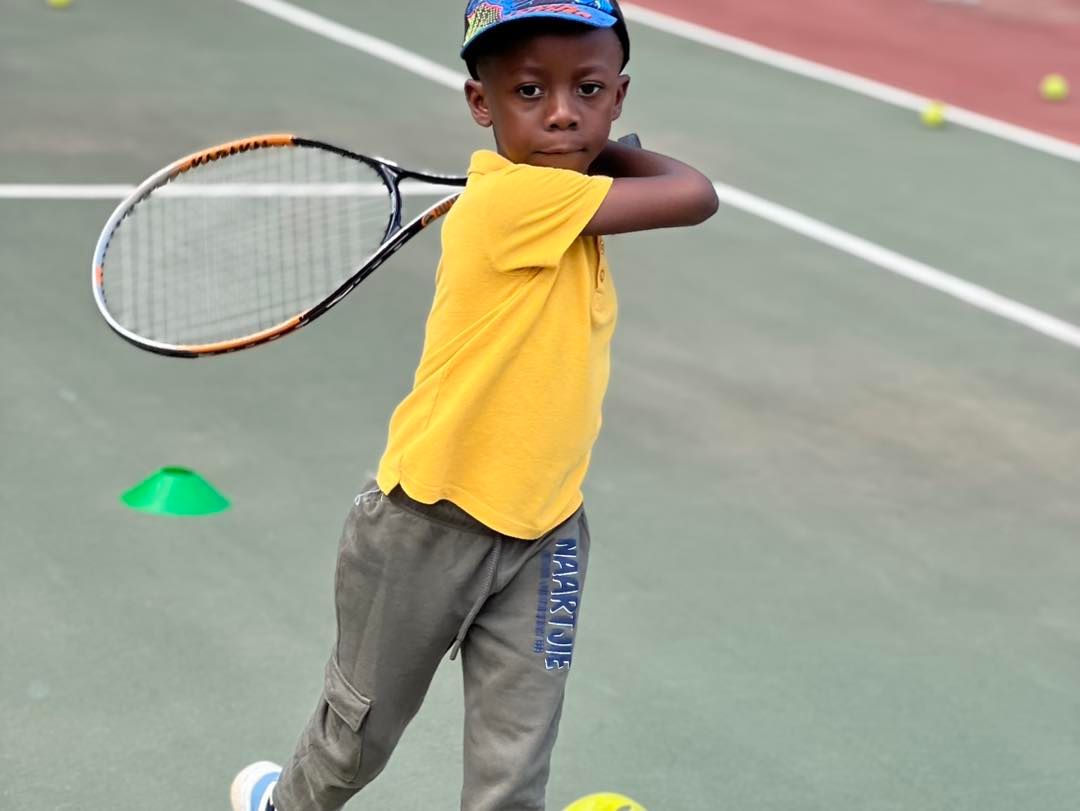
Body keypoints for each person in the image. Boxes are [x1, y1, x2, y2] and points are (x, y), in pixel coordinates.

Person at [230, 2, 718, 809]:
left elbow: (645, 179)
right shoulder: (511, 204)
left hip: (546, 528)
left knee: (513, 770)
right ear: (479, 104)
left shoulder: (568, 202)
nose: (563, 112)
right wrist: (604, 155)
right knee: (354, 746)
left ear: (620, 95)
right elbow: (692, 194)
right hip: (426, 525)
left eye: (589, 89)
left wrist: (593, 157)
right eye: (530, 91)